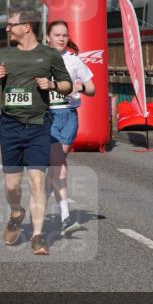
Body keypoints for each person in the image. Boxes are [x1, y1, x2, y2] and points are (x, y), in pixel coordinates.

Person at [0, 8, 72, 255]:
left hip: (38, 126)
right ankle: (16, 212)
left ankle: (38, 235)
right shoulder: (4, 54)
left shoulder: (49, 55)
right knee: (12, 186)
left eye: (10, 24)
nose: (7, 29)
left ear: (26, 27)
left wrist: (52, 84)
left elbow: (68, 84)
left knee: (37, 181)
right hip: (10, 126)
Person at [44, 20, 96, 236]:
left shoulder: (74, 61)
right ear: (48, 37)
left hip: (67, 117)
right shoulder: (39, 59)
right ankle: (65, 218)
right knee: (59, 168)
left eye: (65, 35)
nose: (62, 38)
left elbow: (92, 89)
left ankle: (38, 207)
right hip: (45, 116)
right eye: (57, 35)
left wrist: (80, 86)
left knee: (55, 169)